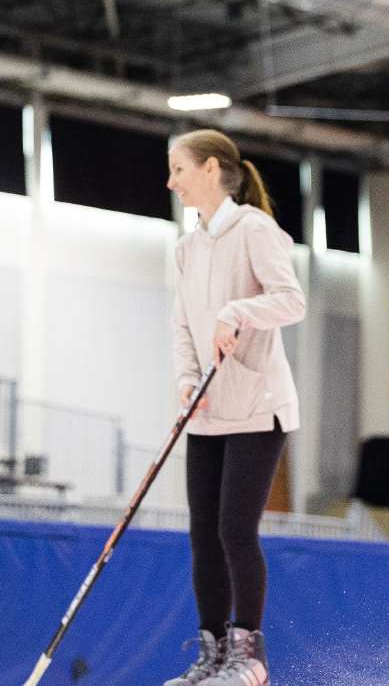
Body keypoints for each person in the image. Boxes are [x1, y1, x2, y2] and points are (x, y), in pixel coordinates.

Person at [164, 128, 306, 686]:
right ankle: (212, 654)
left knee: (234, 531)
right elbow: (180, 327)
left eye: (178, 169)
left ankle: (250, 656)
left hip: (258, 405)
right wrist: (185, 378)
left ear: (209, 169)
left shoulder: (255, 229)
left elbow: (291, 301)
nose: (170, 180)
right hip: (207, 407)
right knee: (202, 533)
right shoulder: (186, 247)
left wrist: (236, 311)